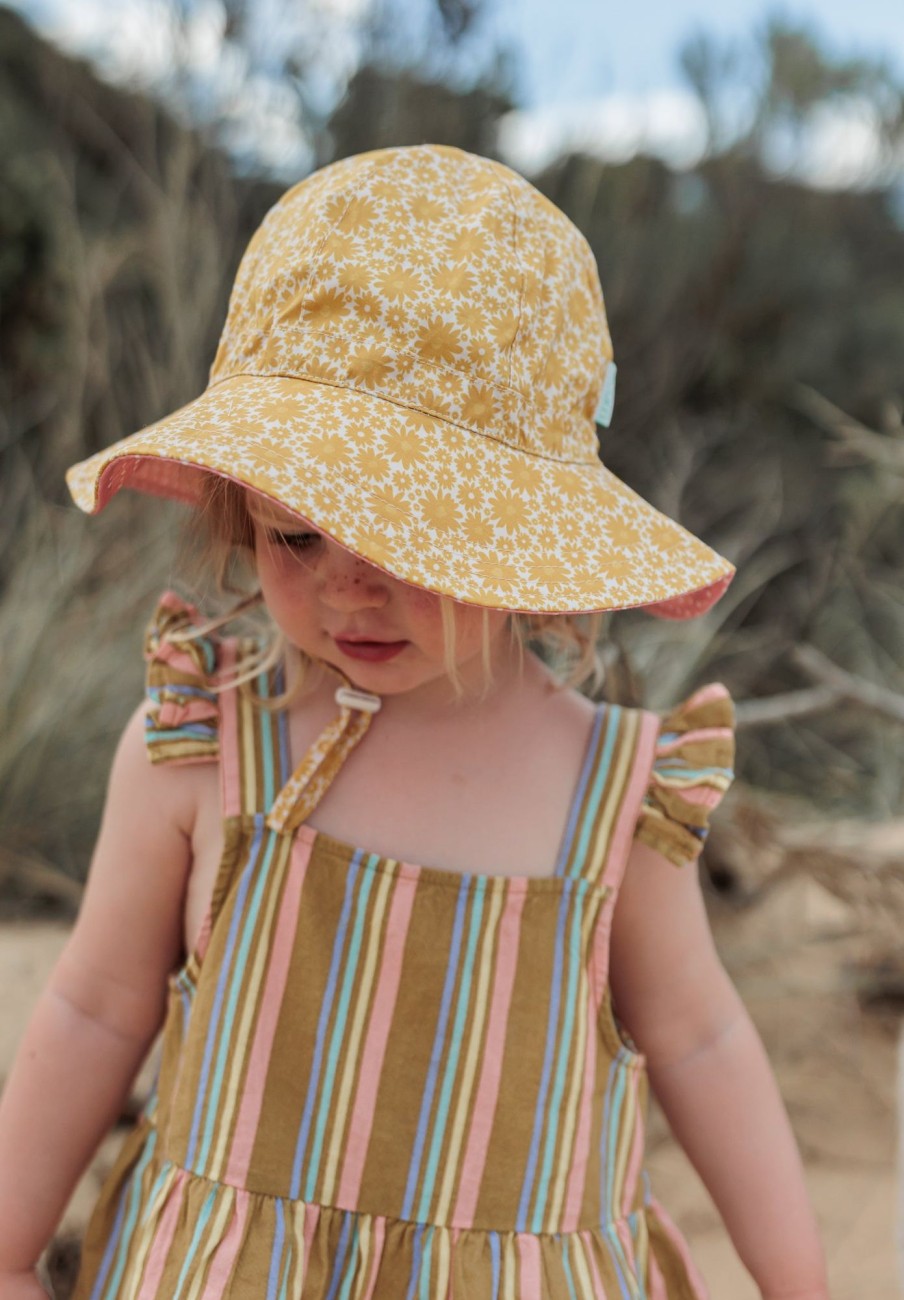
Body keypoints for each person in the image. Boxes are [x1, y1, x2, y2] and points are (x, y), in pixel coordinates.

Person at [0, 144, 829, 1300]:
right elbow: (95, 1005)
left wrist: (798, 1282)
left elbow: (699, 1042)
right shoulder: (198, 750)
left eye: (404, 545)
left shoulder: (612, 798)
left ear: (523, 540)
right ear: (240, 519)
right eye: (298, 536)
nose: (347, 589)